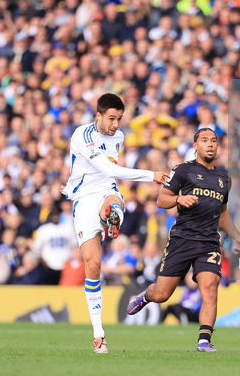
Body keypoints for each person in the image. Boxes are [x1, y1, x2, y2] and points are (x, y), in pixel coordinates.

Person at [61, 93, 169, 354]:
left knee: (113, 202)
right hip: (83, 200)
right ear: (98, 115)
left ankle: (112, 217)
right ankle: (99, 334)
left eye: (120, 118)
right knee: (93, 265)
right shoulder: (82, 136)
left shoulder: (118, 137)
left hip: (106, 191)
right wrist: (151, 175)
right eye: (111, 118)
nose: (116, 124)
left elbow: (109, 177)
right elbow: (109, 168)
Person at [126, 128, 240, 352]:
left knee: (210, 289)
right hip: (182, 238)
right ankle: (145, 296)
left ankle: (204, 341)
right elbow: (162, 200)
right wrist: (179, 198)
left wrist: (238, 237)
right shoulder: (183, 170)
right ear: (195, 145)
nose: (210, 144)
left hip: (210, 241)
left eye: (214, 141)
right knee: (162, 294)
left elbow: (222, 212)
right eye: (204, 140)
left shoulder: (223, 179)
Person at [32, 208, 77, 285]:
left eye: (57, 215)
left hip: (65, 265)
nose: (55, 217)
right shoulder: (43, 229)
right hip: (48, 266)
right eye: (54, 215)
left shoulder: (68, 229)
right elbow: (36, 248)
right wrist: (42, 261)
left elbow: (75, 246)